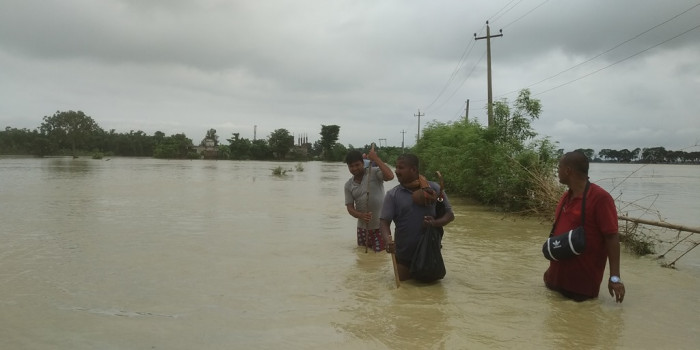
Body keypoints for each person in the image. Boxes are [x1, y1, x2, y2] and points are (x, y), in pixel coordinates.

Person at [543, 151, 626, 302]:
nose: (557, 172)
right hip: (553, 283)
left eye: (559, 167)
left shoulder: (601, 198)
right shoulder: (565, 197)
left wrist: (615, 278)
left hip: (580, 289)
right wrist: (551, 269)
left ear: (568, 170)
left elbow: (612, 237)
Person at [380, 153, 455, 281]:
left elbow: (450, 215)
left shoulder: (435, 189)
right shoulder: (393, 195)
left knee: (431, 296)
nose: (397, 171)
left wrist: (435, 223)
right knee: (404, 294)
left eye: (401, 168)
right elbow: (384, 222)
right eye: (396, 167)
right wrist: (388, 242)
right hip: (404, 254)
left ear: (413, 169)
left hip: (430, 254)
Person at [344, 145, 394, 252]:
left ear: (363, 163)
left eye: (357, 165)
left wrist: (376, 159)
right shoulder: (348, 185)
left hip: (380, 227)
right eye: (351, 166)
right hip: (362, 228)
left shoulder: (374, 172)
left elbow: (390, 176)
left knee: (379, 258)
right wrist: (360, 215)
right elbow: (350, 208)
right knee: (363, 259)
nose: (354, 168)